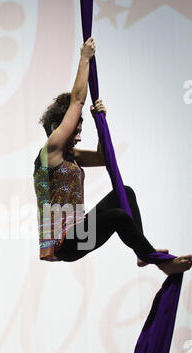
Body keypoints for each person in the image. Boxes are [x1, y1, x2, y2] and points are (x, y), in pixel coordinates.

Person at [34, 37, 192, 275]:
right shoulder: (50, 151)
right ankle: (158, 261)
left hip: (80, 233)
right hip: (64, 243)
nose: (78, 137)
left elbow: (103, 157)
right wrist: (84, 58)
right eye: (75, 130)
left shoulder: (71, 156)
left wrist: (101, 123)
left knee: (124, 193)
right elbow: (77, 101)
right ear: (58, 125)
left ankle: (142, 254)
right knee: (118, 216)